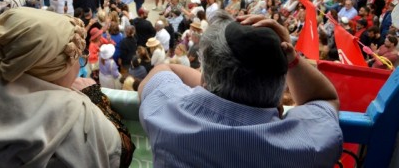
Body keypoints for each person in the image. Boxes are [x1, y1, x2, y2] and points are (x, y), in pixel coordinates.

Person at [139, 11, 342, 167]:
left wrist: (209, 83)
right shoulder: (306, 146)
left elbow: (163, 70)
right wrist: (292, 57)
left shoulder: (166, 113)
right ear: (280, 94)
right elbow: (324, 99)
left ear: (204, 79)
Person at [0, 8, 134, 167]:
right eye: (76, 59)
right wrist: (93, 95)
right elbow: (122, 153)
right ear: (53, 70)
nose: (79, 65)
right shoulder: (78, 117)